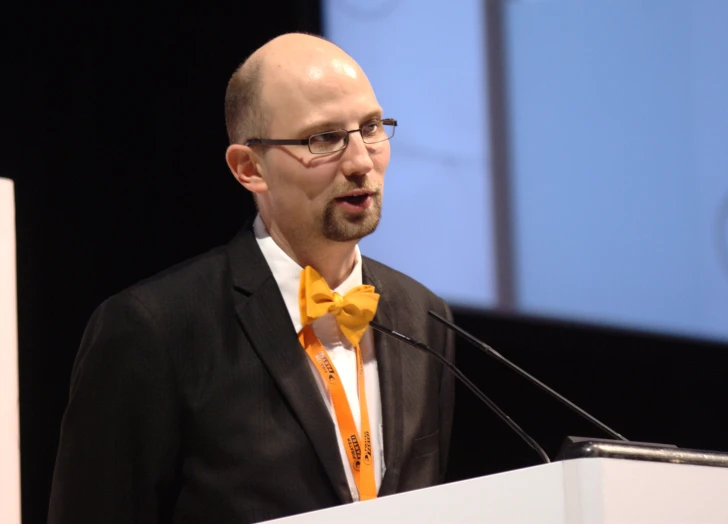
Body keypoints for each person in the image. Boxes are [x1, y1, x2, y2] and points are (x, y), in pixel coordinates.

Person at [47, 33, 455, 524]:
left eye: (370, 128)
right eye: (323, 138)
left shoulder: (426, 317)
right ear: (248, 168)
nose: (361, 161)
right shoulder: (153, 329)